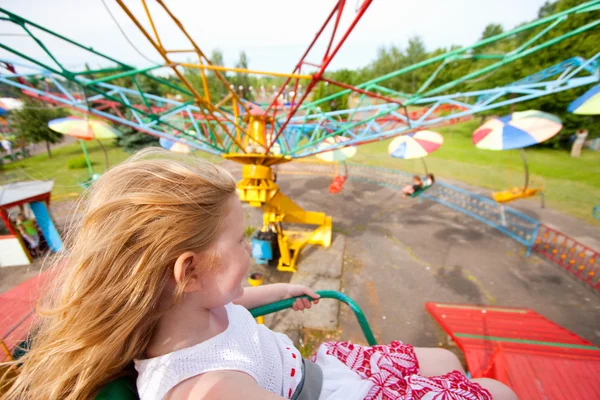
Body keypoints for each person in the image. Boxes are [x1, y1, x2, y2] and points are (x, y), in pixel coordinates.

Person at [1, 149, 517, 400]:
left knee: (448, 358)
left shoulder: (182, 308)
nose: (254, 249)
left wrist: (285, 288)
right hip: (324, 392)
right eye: (242, 240)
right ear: (189, 271)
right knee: (499, 392)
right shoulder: (209, 388)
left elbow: (234, 302)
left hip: (319, 366)